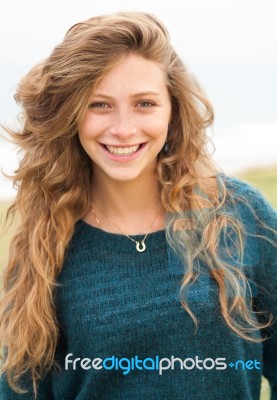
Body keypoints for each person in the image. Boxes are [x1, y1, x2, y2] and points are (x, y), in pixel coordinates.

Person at [0, 10, 276, 400]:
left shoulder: (240, 214)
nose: (124, 128)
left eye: (145, 104)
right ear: (71, 115)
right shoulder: (45, 240)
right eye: (99, 104)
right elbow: (20, 391)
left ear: (173, 111)